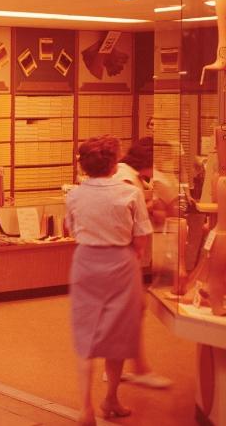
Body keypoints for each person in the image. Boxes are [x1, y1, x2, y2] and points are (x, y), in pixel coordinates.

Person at [65, 135, 153, 424]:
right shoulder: (130, 193)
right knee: (117, 334)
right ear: (114, 162)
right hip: (120, 263)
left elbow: (72, 229)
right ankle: (111, 398)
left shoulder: (74, 194)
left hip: (86, 263)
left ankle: (85, 408)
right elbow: (141, 237)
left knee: (85, 334)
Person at [107, 137, 172, 390]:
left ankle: (117, 368)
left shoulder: (127, 175)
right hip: (121, 254)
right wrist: (153, 207)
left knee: (130, 310)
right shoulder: (126, 178)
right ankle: (139, 369)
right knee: (133, 310)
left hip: (116, 254)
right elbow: (124, 213)